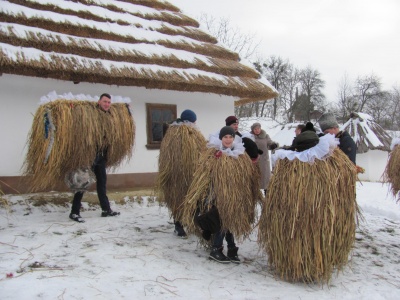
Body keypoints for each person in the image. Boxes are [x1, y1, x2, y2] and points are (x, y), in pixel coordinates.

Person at [69, 93, 120, 223]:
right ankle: (74, 212)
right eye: (105, 101)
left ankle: (106, 209)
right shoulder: (92, 114)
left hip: (101, 156)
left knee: (102, 183)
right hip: (90, 155)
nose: (107, 104)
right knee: (82, 183)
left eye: (109, 102)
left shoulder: (109, 116)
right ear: (99, 102)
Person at [157, 109, 206, 238]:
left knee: (191, 199)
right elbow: (167, 155)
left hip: (191, 175)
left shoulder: (175, 134)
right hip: (177, 175)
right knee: (178, 199)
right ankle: (179, 225)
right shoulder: (180, 133)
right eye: (194, 121)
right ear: (190, 121)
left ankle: (189, 223)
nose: (195, 123)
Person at [250, 122, 278, 193]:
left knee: (266, 180)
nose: (257, 130)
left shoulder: (265, 136)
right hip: (253, 162)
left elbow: (270, 143)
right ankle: (254, 198)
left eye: (258, 128)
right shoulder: (250, 136)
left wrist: (273, 145)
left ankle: (267, 199)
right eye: (255, 129)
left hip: (264, 161)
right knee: (254, 181)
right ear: (253, 130)